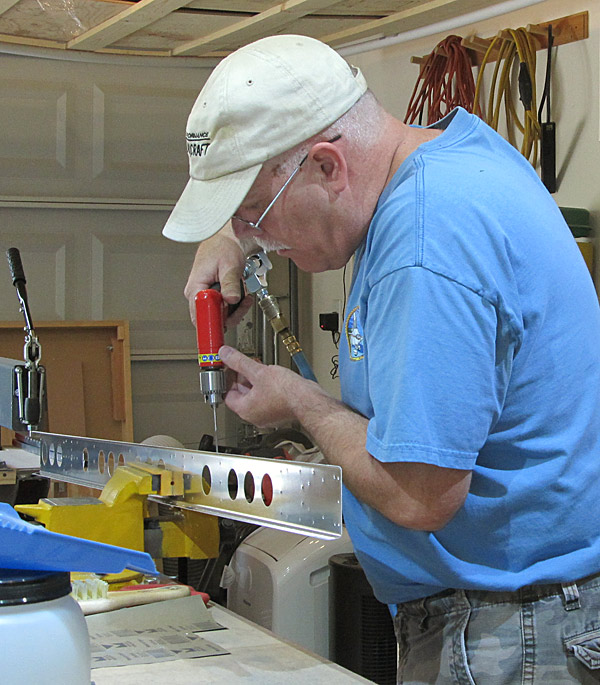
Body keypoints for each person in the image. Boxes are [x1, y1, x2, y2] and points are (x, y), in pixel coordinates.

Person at [163, 34, 600, 684]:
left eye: (257, 213)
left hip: (512, 630)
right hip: (507, 612)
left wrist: (301, 401)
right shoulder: (439, 157)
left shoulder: (424, 242)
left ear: (327, 166)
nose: (261, 242)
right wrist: (232, 229)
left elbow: (418, 494)